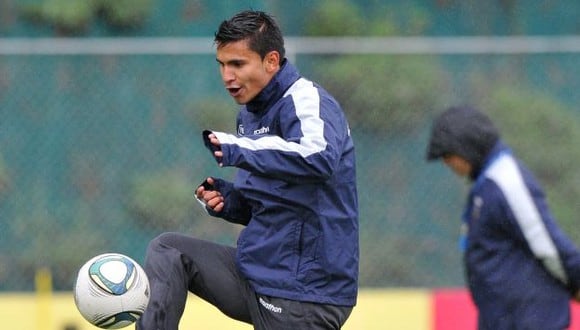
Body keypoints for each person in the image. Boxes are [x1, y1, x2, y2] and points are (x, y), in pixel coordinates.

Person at [136, 10, 358, 330]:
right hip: (256, 275)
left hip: (304, 294)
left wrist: (237, 149)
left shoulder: (307, 100)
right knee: (168, 250)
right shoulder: (250, 115)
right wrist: (232, 201)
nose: (227, 76)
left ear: (271, 61)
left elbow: (318, 157)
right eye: (222, 65)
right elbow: (270, 201)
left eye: (237, 64)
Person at [426, 105, 580, 330]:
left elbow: (547, 244)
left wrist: (576, 280)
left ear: (466, 147)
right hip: (511, 319)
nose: (447, 163)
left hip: (531, 320)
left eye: (448, 155)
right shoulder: (488, 182)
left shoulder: (506, 181)